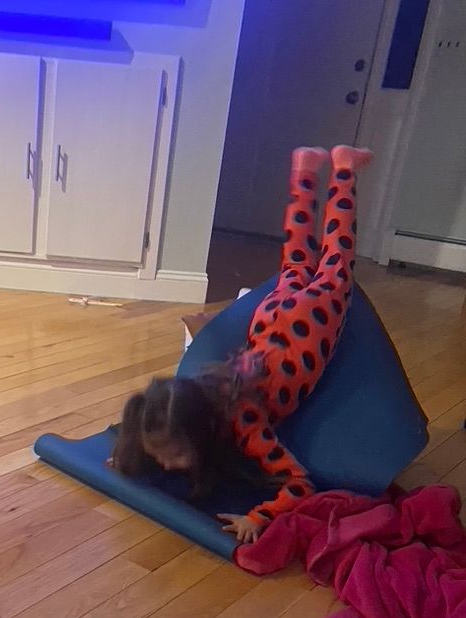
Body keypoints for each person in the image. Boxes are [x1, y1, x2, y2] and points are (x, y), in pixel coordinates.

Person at [111, 144, 373, 543]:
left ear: (203, 430)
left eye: (174, 454)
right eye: (163, 454)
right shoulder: (200, 387)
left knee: (335, 256)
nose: (165, 465)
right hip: (274, 317)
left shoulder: (245, 422)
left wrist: (260, 516)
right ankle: (305, 168)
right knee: (297, 259)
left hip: (311, 321)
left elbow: (299, 483)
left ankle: (344, 170)